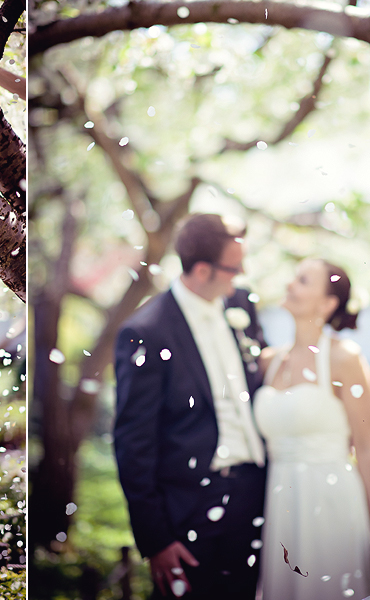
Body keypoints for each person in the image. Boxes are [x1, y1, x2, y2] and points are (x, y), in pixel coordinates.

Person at [114, 213, 268, 599]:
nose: (242, 273)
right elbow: (134, 442)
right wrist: (156, 539)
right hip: (191, 505)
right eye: (234, 267)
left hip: (257, 492)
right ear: (202, 270)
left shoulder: (241, 305)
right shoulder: (146, 332)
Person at [253, 258, 370, 599]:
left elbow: (367, 448)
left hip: (330, 501)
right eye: (293, 278)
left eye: (303, 281)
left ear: (328, 303)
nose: (290, 286)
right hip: (279, 503)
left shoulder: (346, 359)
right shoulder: (269, 361)